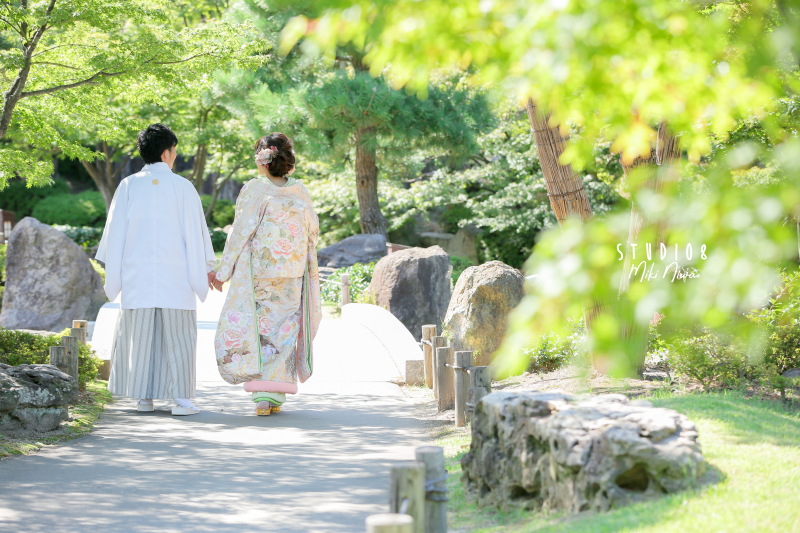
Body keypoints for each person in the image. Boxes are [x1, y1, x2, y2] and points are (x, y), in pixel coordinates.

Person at [96, 124, 218, 416]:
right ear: (167, 153)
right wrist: (206, 268)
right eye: (174, 150)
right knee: (178, 338)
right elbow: (196, 232)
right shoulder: (182, 186)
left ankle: (143, 397)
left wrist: (116, 272)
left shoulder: (128, 185)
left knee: (141, 337)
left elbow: (114, 235)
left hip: (136, 275)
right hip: (176, 274)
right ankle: (181, 400)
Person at [212, 132, 321, 415]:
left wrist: (222, 272)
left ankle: (262, 394)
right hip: (293, 270)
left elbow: (239, 232)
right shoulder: (300, 190)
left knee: (260, 329)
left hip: (260, 270)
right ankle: (274, 394)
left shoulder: (255, 188)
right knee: (286, 327)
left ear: (262, 159)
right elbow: (313, 231)